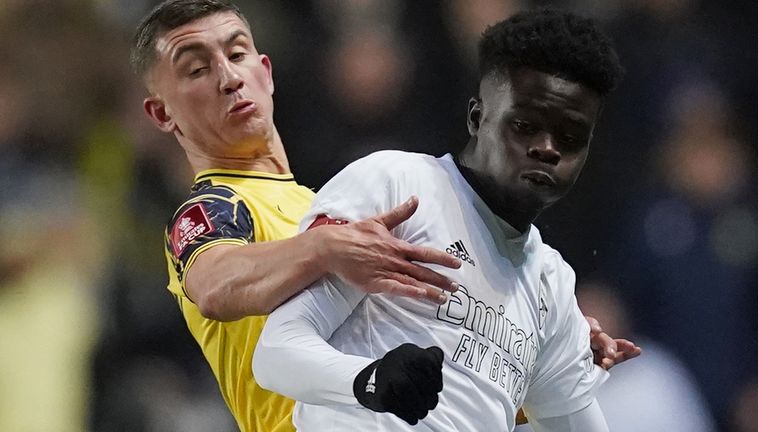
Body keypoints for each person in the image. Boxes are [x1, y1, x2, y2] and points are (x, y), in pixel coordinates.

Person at [131, 1, 637, 430]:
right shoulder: (213, 208)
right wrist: (326, 247)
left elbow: (427, 367)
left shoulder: (321, 200)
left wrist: (537, 346)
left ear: (265, 71)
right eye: (196, 69)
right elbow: (216, 284)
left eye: (237, 54)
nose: (227, 77)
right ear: (161, 114)